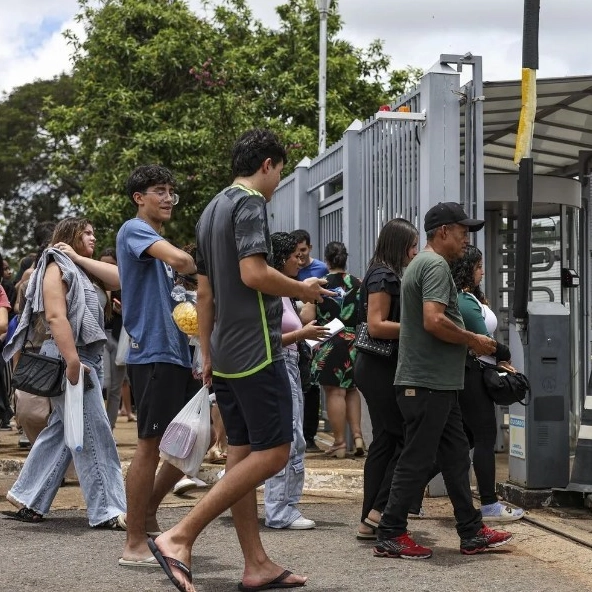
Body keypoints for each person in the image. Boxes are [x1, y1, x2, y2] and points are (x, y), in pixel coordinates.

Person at [147, 129, 330, 592]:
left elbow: (203, 292)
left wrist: (207, 353)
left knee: (242, 458)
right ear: (267, 164)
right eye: (281, 169)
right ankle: (179, 535)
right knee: (275, 452)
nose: (279, 180)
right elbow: (253, 273)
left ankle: (256, 564)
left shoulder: (211, 210)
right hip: (258, 349)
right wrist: (303, 289)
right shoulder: (250, 203)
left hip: (226, 354)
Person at [374, 202, 513, 559]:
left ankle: (471, 531)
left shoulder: (423, 264)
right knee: (416, 459)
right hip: (427, 383)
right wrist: (474, 340)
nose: (466, 240)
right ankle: (390, 532)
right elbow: (434, 321)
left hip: (438, 384)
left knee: (454, 459)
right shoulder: (434, 265)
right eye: (463, 232)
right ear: (443, 232)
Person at [1, 217, 126, 527]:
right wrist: (72, 361)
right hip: (72, 356)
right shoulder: (56, 267)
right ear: (69, 235)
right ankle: (108, 509)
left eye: (94, 232)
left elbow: (121, 278)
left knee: (62, 432)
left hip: (84, 356)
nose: (93, 237)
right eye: (86, 233)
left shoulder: (80, 267)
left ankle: (30, 498)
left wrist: (79, 256)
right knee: (95, 434)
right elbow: (56, 317)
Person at [116, 165, 202, 567]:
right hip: (151, 354)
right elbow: (183, 261)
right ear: (139, 198)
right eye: (159, 191)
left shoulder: (152, 241)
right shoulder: (135, 231)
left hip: (175, 354)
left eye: (171, 192)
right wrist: (195, 263)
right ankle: (133, 543)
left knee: (188, 444)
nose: (168, 198)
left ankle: (148, 513)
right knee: (149, 448)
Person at [353, 218, 422, 540]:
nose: (415, 252)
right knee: (405, 437)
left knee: (384, 440)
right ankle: (379, 511)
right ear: (399, 245)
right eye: (412, 245)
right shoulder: (383, 275)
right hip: (379, 366)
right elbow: (377, 325)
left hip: (377, 366)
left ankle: (371, 517)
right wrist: (418, 325)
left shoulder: (384, 273)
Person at [451, 245, 525, 522]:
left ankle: (409, 498)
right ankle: (490, 505)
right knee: (484, 437)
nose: (483, 270)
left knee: (464, 440)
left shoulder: (470, 297)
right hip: (472, 376)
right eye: (479, 266)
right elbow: (483, 341)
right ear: (467, 268)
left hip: (477, 372)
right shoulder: (464, 300)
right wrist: (504, 355)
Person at [264, 232, 330, 530]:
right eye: (295, 255)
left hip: (290, 363)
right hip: (281, 364)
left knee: (294, 437)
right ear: (281, 259)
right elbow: (265, 338)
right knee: (289, 439)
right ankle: (280, 509)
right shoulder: (271, 291)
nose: (300, 260)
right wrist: (301, 335)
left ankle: (286, 505)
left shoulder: (284, 291)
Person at [301, 241, 364, 458]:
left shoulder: (319, 283)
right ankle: (357, 436)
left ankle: (338, 442)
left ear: (327, 261)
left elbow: (308, 317)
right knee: (352, 389)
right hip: (352, 340)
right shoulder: (358, 283)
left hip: (328, 339)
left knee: (334, 392)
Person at [291, 229, 328, 452]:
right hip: (293, 331)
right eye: (296, 253)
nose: (300, 257)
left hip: (312, 332)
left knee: (311, 385)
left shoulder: (321, 269)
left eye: (303, 251)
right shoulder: (287, 271)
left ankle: (310, 435)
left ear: (310, 248)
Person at [98, 247, 130, 428]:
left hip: (119, 338)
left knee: (116, 387)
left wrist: (122, 311)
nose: (106, 268)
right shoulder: (93, 285)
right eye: (102, 264)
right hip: (100, 339)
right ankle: (99, 427)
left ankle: (109, 427)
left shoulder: (124, 285)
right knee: (102, 384)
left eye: (111, 265)